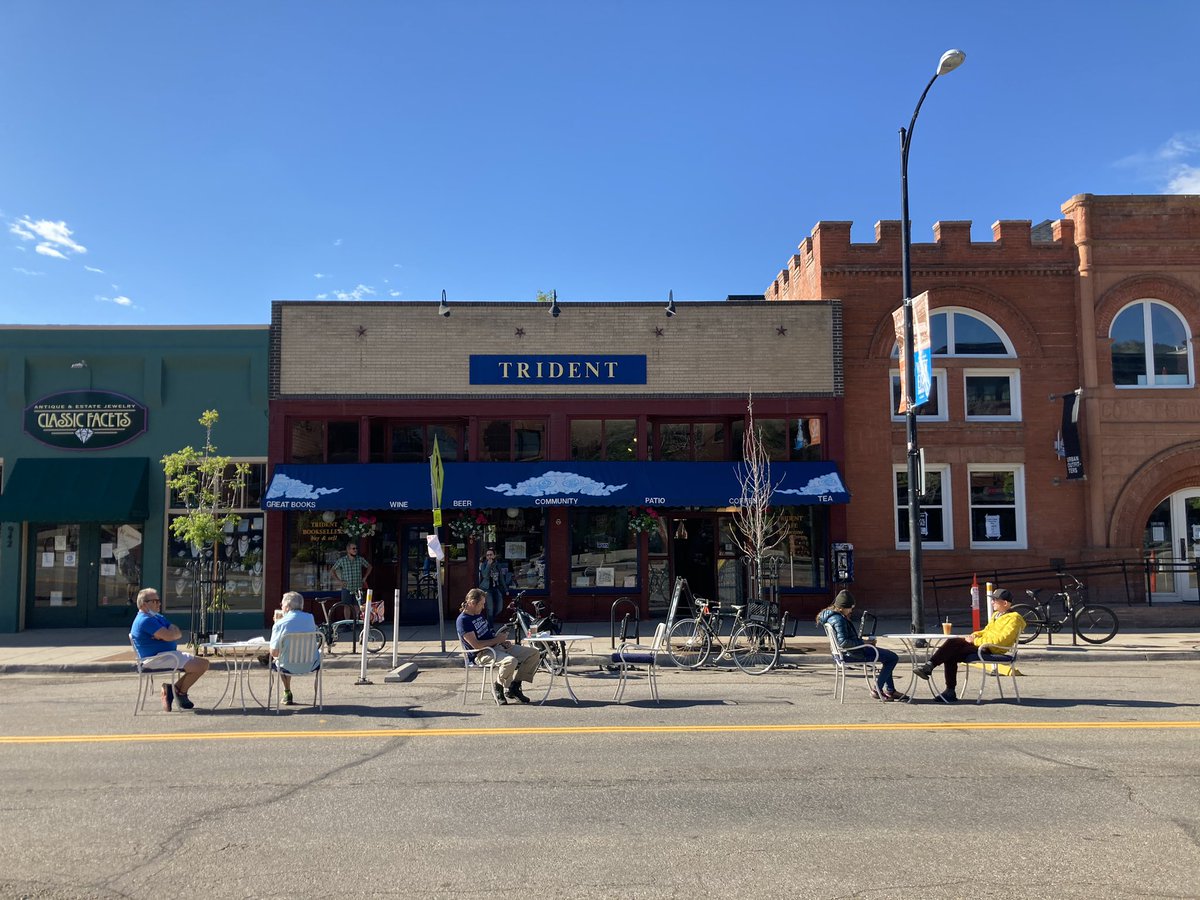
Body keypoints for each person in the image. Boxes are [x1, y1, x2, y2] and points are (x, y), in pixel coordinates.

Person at [914, 588, 1026, 702]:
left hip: (992, 649)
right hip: (983, 645)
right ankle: (949, 690)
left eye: (995, 600)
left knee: (952, 646)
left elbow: (1000, 640)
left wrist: (974, 641)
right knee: (951, 650)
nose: (992, 602)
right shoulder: (997, 615)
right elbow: (986, 631)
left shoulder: (1014, 619)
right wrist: (974, 635)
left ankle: (930, 667)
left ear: (1005, 603)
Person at [129, 587, 210, 711]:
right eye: (155, 601)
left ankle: (174, 690)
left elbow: (176, 632)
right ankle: (178, 692)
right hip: (156, 659)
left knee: (204, 663)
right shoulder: (144, 620)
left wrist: (170, 634)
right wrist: (169, 634)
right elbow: (170, 635)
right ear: (144, 604)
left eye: (159, 601)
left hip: (168, 655)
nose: (159, 603)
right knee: (200, 665)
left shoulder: (157, 617)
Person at [816, 590, 906, 701]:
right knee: (892, 657)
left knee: (888, 657)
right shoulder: (839, 620)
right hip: (853, 653)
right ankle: (877, 690)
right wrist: (865, 643)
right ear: (841, 607)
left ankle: (891, 690)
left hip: (846, 653)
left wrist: (864, 642)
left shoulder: (833, 617)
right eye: (850, 608)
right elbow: (844, 643)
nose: (851, 610)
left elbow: (845, 640)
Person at [456, 587, 539, 705]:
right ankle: (498, 687)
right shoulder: (463, 621)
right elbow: (476, 645)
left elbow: (489, 634)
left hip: (496, 646)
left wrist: (501, 641)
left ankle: (514, 687)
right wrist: (497, 640)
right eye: (481, 604)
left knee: (533, 654)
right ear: (473, 603)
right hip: (481, 653)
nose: (483, 607)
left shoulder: (478, 615)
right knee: (510, 661)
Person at [269, 590, 320, 706]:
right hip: (311, 664)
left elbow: (274, 653)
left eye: (282, 604)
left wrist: (275, 625)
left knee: (281, 657)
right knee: (288, 654)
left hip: (287, 665)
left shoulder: (280, 624)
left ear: (287, 606)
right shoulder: (310, 618)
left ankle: (287, 691)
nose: (281, 607)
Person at [330, 541, 372, 608]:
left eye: (356, 548)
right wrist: (339, 581)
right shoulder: (342, 560)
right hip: (347, 587)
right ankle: (347, 619)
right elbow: (332, 571)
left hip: (358, 587)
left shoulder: (360, 559)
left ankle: (357, 619)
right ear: (348, 550)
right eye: (353, 548)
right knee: (346, 607)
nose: (355, 550)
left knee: (358, 607)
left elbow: (369, 567)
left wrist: (365, 577)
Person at [477, 546, 511, 618]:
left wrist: (506, 589)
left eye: (491, 555)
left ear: (494, 556)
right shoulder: (484, 564)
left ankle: (491, 619)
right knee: (490, 608)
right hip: (486, 589)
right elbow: (485, 575)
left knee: (499, 608)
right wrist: (489, 565)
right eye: (487, 555)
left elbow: (501, 578)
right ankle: (490, 626)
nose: (489, 556)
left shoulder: (497, 565)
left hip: (496, 587)